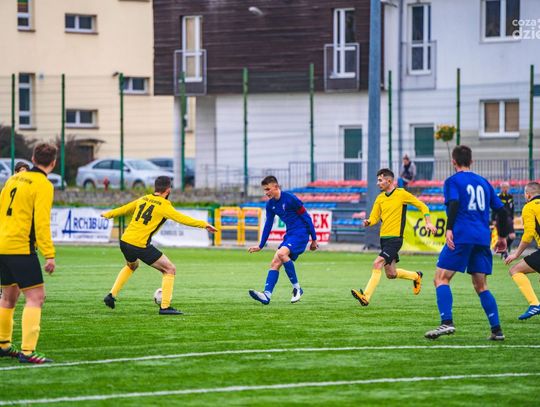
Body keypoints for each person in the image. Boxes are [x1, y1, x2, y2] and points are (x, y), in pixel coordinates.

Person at [425, 145, 508, 341]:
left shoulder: (452, 181)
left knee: (441, 278)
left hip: (462, 235)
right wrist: (502, 237)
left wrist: (449, 229)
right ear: (471, 161)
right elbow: (502, 211)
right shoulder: (484, 182)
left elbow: (454, 203)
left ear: (453, 161)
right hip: (482, 238)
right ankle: (497, 330)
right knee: (481, 285)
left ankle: (447, 322)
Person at [101, 176, 217, 315]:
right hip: (139, 244)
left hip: (125, 241)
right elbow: (183, 219)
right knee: (170, 269)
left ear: (155, 188)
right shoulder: (164, 205)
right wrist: (204, 225)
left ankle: (111, 295)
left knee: (132, 266)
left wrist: (108, 214)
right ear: (168, 190)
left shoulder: (144, 198)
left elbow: (125, 209)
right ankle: (165, 307)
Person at [0, 143, 57, 364]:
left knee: (9, 297)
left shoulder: (13, 179)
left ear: (33, 158)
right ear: (53, 163)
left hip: (2, 245)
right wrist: (49, 254)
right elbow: (42, 222)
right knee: (36, 297)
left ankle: (3, 344)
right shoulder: (43, 184)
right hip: (20, 247)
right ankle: (28, 351)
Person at [351, 168, 437, 306]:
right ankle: (416, 276)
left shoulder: (401, 194)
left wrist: (428, 222)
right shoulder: (380, 198)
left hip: (395, 240)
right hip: (384, 239)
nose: (378, 183)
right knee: (391, 274)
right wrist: (368, 222)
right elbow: (374, 217)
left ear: (389, 181)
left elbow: (422, 206)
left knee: (377, 263)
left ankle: (366, 296)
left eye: (380, 180)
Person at [248, 176, 318, 305]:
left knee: (281, 254)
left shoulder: (290, 199)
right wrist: (261, 245)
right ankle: (267, 295)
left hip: (301, 233)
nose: (266, 192)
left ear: (276, 187)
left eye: (268, 189)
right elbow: (268, 225)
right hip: (290, 234)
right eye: (264, 190)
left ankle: (297, 288)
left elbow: (307, 217)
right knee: (275, 263)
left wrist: (314, 239)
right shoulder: (270, 204)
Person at [504, 181, 540, 320]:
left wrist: (516, 254)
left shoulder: (529, 207)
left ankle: (534, 304)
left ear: (528, 194)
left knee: (515, 270)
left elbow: (528, 234)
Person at [495, 181, 516, 258]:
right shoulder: (498, 197)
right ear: (501, 188)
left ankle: (503, 249)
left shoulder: (510, 196)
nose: (505, 189)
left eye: (507, 187)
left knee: (512, 236)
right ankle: (503, 252)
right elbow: (495, 208)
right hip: (500, 219)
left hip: (509, 219)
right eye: (504, 187)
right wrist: (493, 219)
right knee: (501, 237)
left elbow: (512, 208)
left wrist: (512, 218)